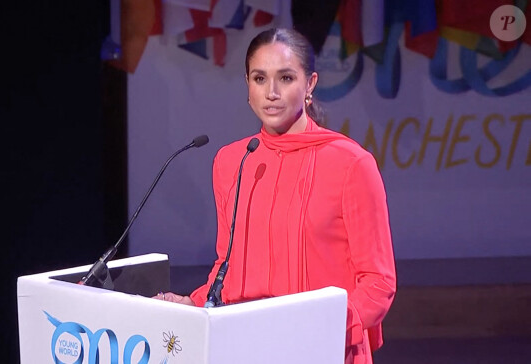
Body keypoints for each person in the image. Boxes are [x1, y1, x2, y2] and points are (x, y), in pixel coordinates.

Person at [155, 27, 396, 364]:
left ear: (309, 84)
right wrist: (195, 303)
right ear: (247, 86)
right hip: (243, 347)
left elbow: (377, 282)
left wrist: (321, 327)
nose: (271, 92)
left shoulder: (352, 164)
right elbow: (227, 266)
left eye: (285, 78)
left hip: (321, 348)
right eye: (259, 78)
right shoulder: (231, 162)